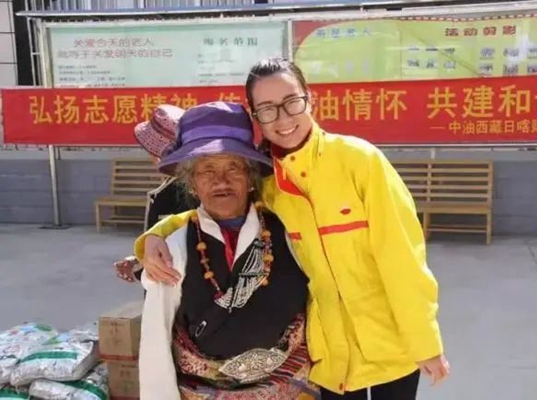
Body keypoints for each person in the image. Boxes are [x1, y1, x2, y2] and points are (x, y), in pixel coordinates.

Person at [135, 58, 449, 400]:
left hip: (391, 345)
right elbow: (217, 212)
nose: (283, 119)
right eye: (267, 109)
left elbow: (403, 259)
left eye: (291, 102)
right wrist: (155, 235)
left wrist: (424, 341)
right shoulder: (269, 185)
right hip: (330, 356)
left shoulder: (360, 162)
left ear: (309, 99)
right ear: (256, 117)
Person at [138, 101, 318, 400]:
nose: (221, 181)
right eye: (207, 170)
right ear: (192, 184)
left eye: (233, 167)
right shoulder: (173, 248)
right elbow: (156, 336)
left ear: (250, 178)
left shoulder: (290, 233)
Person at [114, 104, 199, 282]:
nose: (149, 155)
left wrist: (138, 271)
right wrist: (138, 260)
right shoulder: (177, 184)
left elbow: (171, 253)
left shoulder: (178, 193)